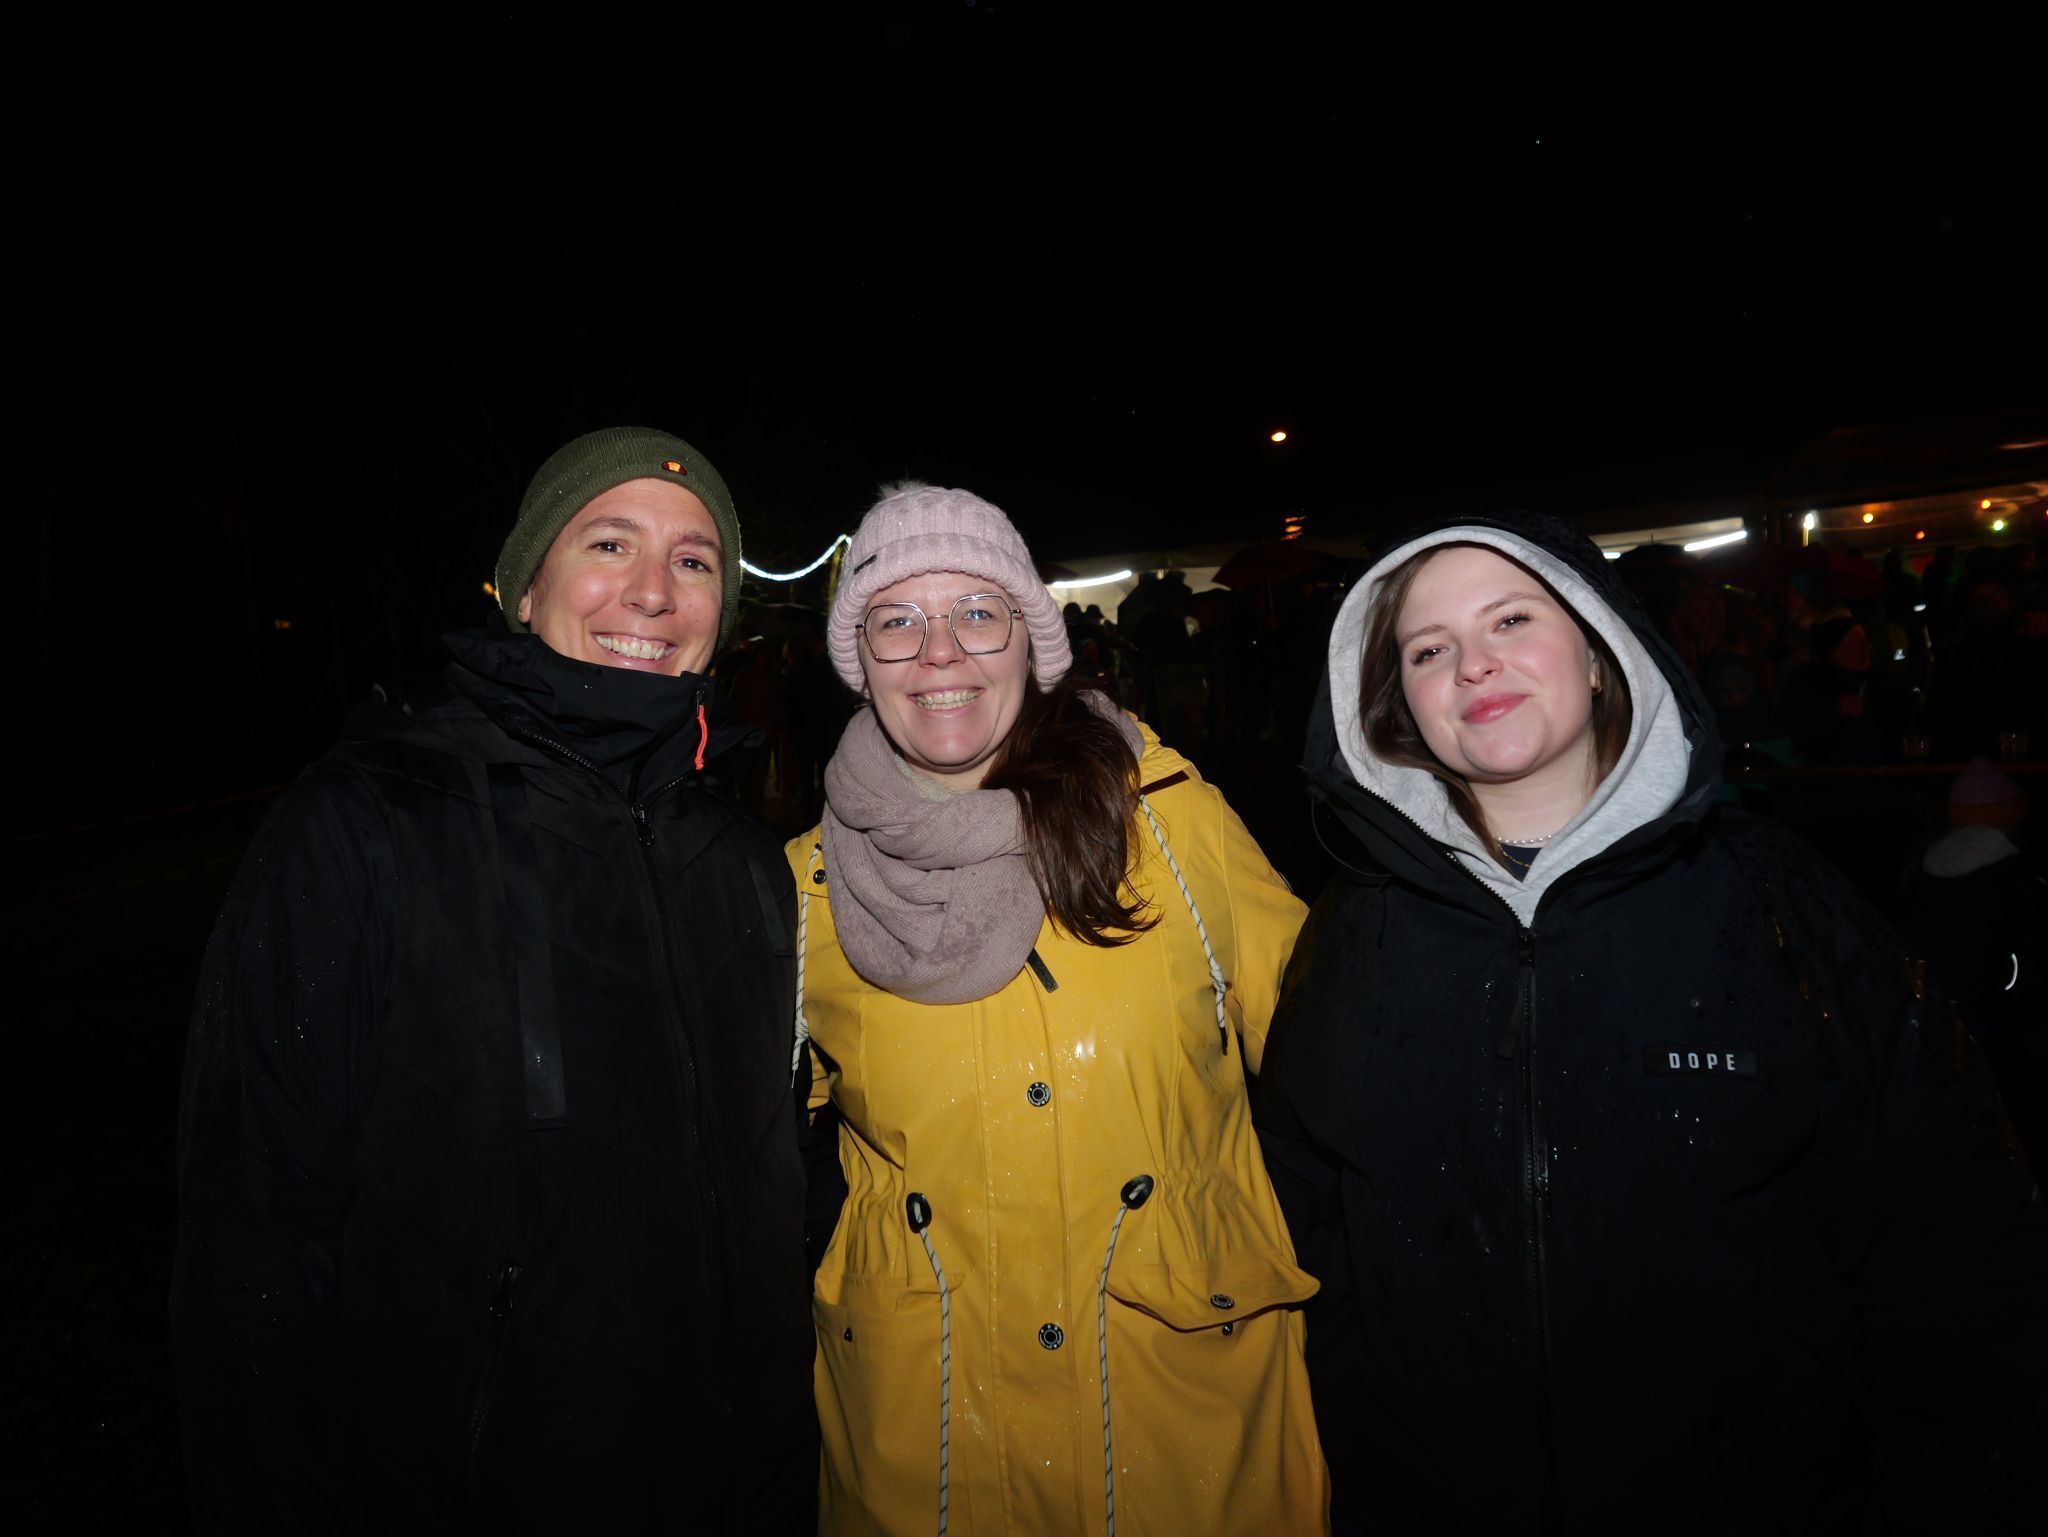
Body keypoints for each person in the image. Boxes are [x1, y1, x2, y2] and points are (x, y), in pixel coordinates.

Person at [1253, 510, 2048, 1535]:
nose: (1472, 664)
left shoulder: (1772, 903)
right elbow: (1305, 1223)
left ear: (1595, 650)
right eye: (1427, 646)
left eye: (1509, 619)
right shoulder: (1351, 937)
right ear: (1398, 704)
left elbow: (1946, 1223)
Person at [171, 427, 814, 1532]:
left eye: (695, 561)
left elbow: (775, 1176)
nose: (652, 593)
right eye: (609, 543)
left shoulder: (746, 860)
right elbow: (253, 1236)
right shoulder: (367, 823)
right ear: (526, 588)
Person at [790, 484, 1327, 1536]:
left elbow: (1350, 1067)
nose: (939, 653)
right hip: (927, 1459)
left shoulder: (1169, 818)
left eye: (975, 613)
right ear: (859, 659)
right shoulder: (803, 891)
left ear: (1028, 639)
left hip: (1189, 1443)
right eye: (896, 620)